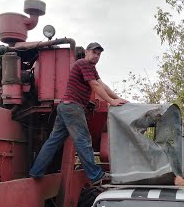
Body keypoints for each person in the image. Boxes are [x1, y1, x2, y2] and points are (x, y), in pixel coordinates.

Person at [29, 42, 129, 185]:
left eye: (99, 54)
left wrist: (116, 98)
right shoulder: (83, 63)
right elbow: (94, 86)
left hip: (65, 107)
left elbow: (102, 85)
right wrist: (110, 102)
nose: (96, 56)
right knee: (83, 140)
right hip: (73, 107)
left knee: (53, 142)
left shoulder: (91, 69)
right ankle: (95, 176)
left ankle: (36, 171)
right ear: (86, 52)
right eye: (94, 52)